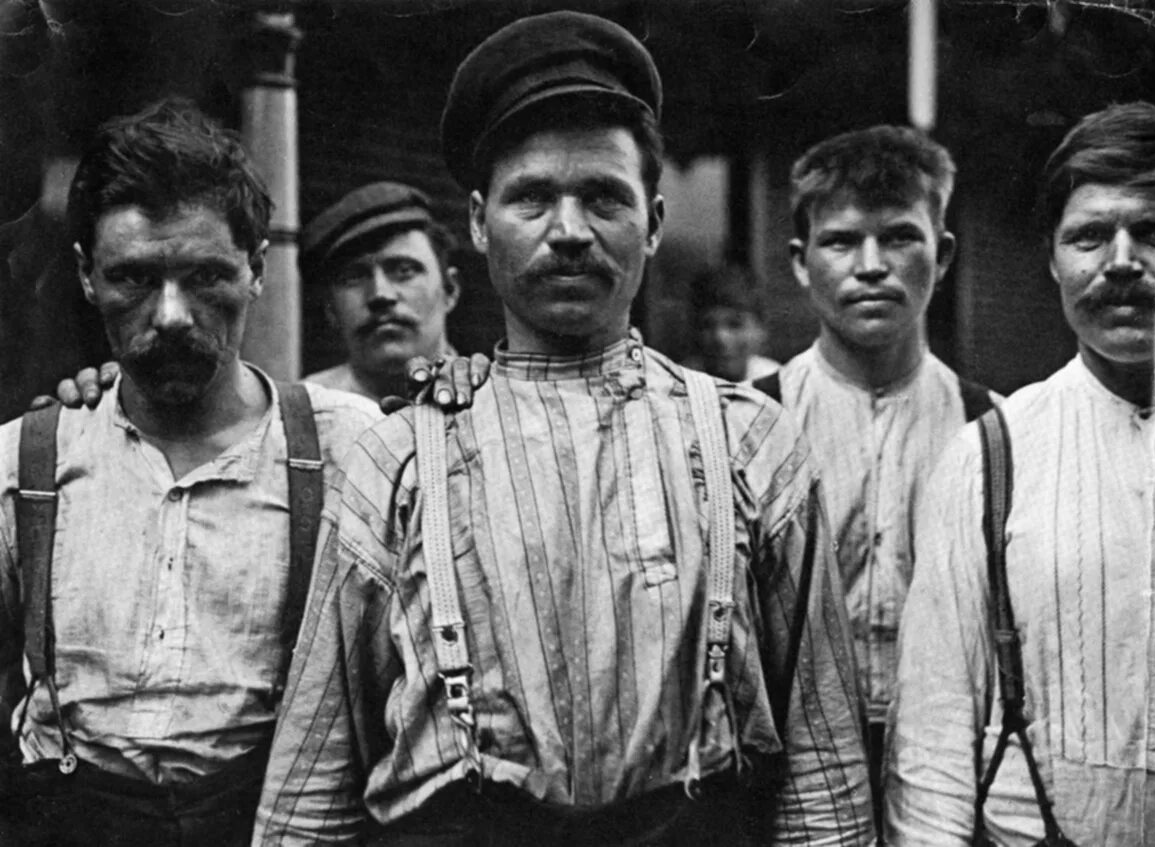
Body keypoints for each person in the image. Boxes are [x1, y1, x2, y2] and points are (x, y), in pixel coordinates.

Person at [255, 11, 873, 846]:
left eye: (604, 197)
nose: (571, 230)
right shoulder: (396, 458)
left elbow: (826, 776)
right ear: (479, 222)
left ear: (653, 223)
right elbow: (310, 791)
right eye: (534, 197)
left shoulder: (749, 442)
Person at [0, 98, 379, 846]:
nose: (172, 314)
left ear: (257, 269)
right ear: (86, 276)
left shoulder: (349, 447)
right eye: (135, 278)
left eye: (205, 276)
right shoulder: (24, 460)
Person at [887, 101, 1155, 843]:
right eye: (1090, 236)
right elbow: (932, 741)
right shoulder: (991, 456)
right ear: (1053, 258)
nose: (1122, 262)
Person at [752, 125, 993, 815]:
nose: (871, 265)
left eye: (898, 237)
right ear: (801, 262)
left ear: (942, 254)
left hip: (953, 766)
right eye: (841, 241)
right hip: (793, 771)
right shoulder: (752, 423)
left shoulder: (993, 427)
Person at [300, 182, 463, 403]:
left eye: (404, 271)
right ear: (331, 310)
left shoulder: (497, 404)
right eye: (354, 277)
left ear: (449, 289)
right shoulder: (304, 413)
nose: (380, 294)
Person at [684, 264, 780, 383]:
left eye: (735, 325)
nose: (720, 337)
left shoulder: (777, 382)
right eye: (707, 325)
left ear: (761, 330)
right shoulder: (679, 384)